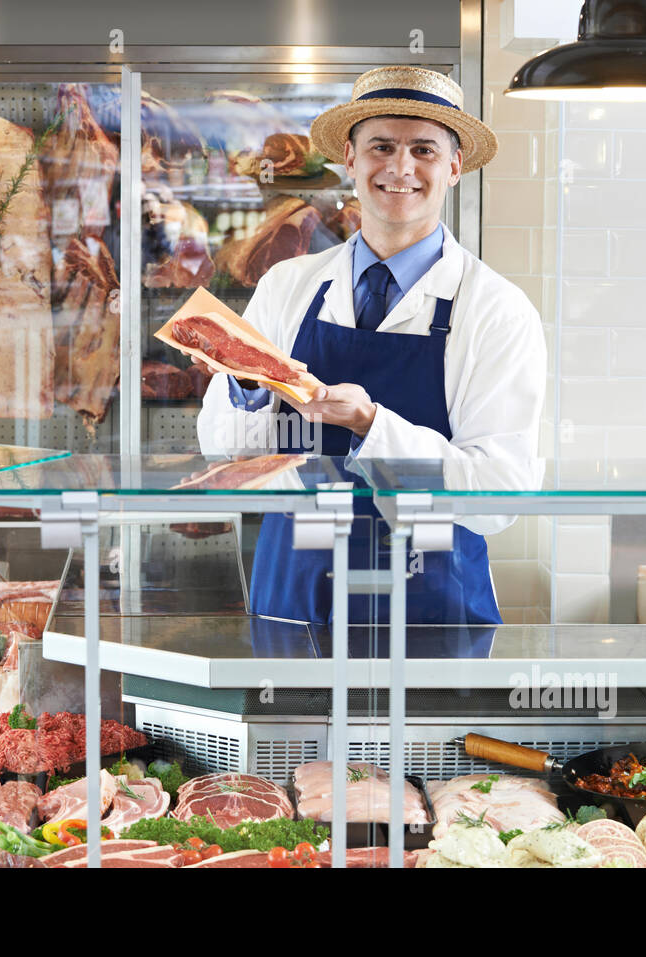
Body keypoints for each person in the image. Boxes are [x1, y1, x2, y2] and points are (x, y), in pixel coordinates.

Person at [195, 66, 545, 626]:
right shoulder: (287, 286)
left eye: (424, 150)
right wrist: (244, 384)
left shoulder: (496, 310)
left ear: (454, 167)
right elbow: (224, 450)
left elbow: (500, 495)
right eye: (381, 146)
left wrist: (370, 424)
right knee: (291, 716)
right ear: (350, 161)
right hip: (295, 586)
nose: (400, 168)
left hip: (430, 599)